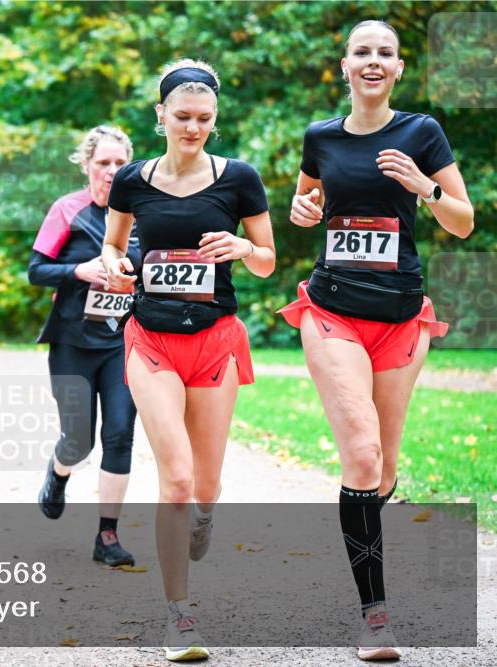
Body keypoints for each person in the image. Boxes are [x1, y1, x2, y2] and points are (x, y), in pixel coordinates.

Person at [280, 19, 473, 661]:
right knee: (361, 454)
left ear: (396, 69)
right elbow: (305, 203)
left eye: (384, 53)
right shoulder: (321, 137)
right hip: (332, 309)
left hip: (400, 316)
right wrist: (302, 209)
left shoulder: (421, 133)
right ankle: (375, 616)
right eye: (361, 51)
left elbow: (464, 221)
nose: (372, 60)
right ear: (344, 66)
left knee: (383, 467)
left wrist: (426, 187)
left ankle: (363, 525)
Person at [102, 59, 275, 662]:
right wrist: (116, 265)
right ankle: (180, 617)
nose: (193, 128)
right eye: (182, 117)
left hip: (215, 340)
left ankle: (206, 509)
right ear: (160, 116)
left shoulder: (240, 179)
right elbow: (112, 244)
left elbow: (267, 260)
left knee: (203, 482)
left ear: (215, 118)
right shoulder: (131, 180)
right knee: (173, 475)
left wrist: (243, 246)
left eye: (204, 119)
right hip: (150, 337)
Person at [30, 125, 141, 568]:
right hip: (73, 341)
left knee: (119, 434)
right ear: (86, 165)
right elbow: (36, 270)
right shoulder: (67, 210)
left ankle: (107, 537)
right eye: (103, 164)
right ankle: (58, 476)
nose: (111, 172)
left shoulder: (142, 214)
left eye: (119, 164)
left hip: (123, 342)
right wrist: (80, 272)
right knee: (78, 440)